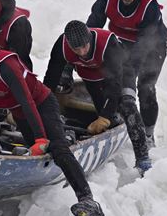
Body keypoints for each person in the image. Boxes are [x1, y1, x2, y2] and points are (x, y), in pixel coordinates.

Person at [0, 35, 104, 216]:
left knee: (58, 148)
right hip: (20, 113)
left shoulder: (5, 65)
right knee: (38, 152)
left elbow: (27, 102)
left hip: (41, 103)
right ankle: (59, 134)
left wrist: (40, 137)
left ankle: (87, 198)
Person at [43, 21, 152, 175]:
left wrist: (104, 117)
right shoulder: (61, 45)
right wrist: (40, 106)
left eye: (84, 47)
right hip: (91, 75)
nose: (81, 52)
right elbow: (51, 78)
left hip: (121, 72)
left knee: (127, 106)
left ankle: (143, 158)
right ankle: (112, 121)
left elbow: (113, 85)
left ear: (89, 40)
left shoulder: (109, 44)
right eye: (76, 49)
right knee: (108, 116)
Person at [86, 0, 167, 157]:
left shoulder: (150, 7)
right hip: (121, 42)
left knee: (145, 89)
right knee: (108, 78)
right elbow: (91, 31)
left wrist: (128, 78)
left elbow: (142, 48)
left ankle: (148, 136)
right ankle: (111, 116)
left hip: (152, 47)